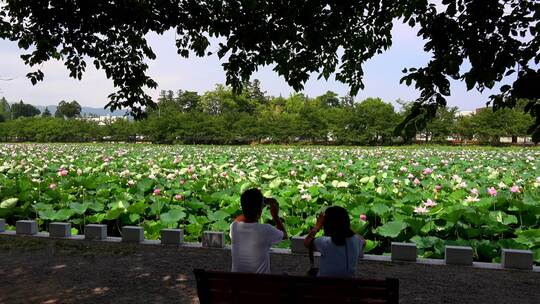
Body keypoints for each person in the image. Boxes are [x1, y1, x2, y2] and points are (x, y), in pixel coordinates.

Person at [230, 188, 288, 274]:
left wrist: (255, 205)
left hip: (237, 285)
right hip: (261, 286)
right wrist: (275, 216)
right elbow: (284, 236)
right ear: (260, 210)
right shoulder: (266, 230)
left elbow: (241, 217)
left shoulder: (234, 227)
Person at [303, 206, 364, 277]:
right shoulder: (356, 241)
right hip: (348, 286)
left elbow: (307, 242)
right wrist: (347, 227)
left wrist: (317, 226)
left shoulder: (325, 242)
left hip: (325, 287)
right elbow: (363, 241)